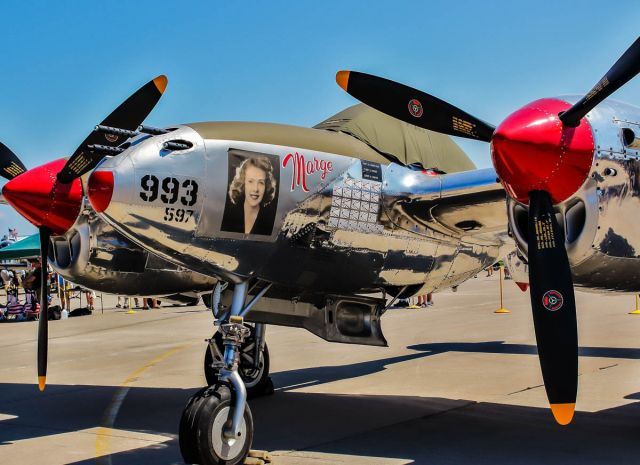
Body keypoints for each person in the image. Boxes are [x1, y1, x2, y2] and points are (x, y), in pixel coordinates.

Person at [220, 156, 277, 235]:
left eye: (261, 183)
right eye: (250, 181)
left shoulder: (271, 221)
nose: (255, 189)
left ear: (266, 186)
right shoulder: (227, 216)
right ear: (243, 184)